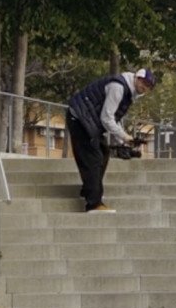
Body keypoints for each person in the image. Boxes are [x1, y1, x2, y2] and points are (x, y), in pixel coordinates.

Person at [65, 68, 156, 213]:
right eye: (143, 83)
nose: (144, 88)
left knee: (104, 152)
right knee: (94, 157)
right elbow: (106, 118)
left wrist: (124, 141)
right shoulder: (118, 87)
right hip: (79, 118)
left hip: (88, 121)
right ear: (137, 78)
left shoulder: (128, 93)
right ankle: (93, 204)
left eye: (149, 87)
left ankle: (89, 189)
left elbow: (114, 118)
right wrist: (124, 136)